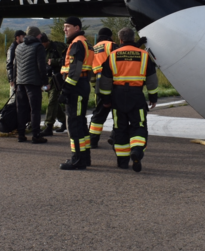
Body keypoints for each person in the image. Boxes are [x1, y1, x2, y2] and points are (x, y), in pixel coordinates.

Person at [98, 27, 158, 172]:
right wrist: (153, 97)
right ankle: (136, 151)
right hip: (136, 95)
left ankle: (122, 161)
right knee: (139, 125)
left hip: (118, 96)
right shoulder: (143, 55)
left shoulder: (113, 55)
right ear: (132, 38)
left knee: (120, 128)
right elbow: (152, 80)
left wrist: (106, 99)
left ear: (120, 40)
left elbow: (105, 81)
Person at [58, 17, 94, 170]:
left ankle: (77, 160)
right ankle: (84, 157)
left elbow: (75, 70)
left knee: (74, 124)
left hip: (76, 87)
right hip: (81, 85)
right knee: (80, 123)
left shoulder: (77, 43)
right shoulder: (84, 42)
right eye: (64, 26)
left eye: (67, 26)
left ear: (77, 28)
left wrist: (66, 90)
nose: (65, 29)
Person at [15, 26, 48, 144]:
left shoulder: (18, 47)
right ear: (36, 35)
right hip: (33, 83)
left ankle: (21, 134)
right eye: (39, 35)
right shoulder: (38, 47)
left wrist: (15, 81)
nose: (41, 36)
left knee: (21, 109)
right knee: (35, 110)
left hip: (20, 82)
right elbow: (41, 66)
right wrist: (45, 82)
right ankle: (36, 135)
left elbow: (15, 66)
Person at [88, 27, 117, 149]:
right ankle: (114, 137)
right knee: (118, 112)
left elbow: (91, 73)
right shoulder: (111, 45)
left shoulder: (93, 49)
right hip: (113, 81)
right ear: (109, 36)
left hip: (99, 83)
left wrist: (96, 87)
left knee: (99, 113)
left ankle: (93, 141)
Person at [40, 33, 67, 136]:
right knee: (54, 101)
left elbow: (68, 59)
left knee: (52, 101)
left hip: (58, 77)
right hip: (48, 78)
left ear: (45, 42)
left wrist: (54, 61)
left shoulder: (58, 47)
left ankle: (48, 126)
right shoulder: (42, 50)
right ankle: (64, 121)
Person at [6, 29, 26, 103]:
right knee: (13, 98)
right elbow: (9, 64)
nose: (24, 37)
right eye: (23, 36)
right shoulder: (12, 48)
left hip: (20, 78)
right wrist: (11, 79)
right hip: (14, 78)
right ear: (17, 37)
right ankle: (9, 113)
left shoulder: (20, 47)